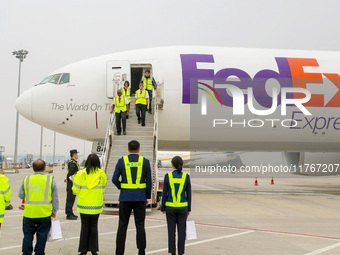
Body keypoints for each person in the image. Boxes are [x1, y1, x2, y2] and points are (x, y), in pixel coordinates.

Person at [112, 140, 152, 255]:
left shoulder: (121, 161)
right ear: (139, 149)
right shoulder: (145, 162)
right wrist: (147, 197)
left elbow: (114, 179)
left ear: (128, 149)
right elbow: (149, 182)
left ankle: (119, 252)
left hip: (125, 198)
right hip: (140, 198)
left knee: (122, 225)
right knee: (140, 225)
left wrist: (122, 187)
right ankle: (141, 251)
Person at [19, 159, 59, 255]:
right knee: (42, 235)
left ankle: (26, 253)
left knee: (28, 235)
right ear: (45, 168)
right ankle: (39, 253)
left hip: (29, 214)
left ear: (33, 168)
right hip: (44, 214)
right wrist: (54, 210)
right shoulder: (50, 180)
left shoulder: (26, 179)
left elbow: (20, 195)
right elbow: (55, 198)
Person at [72, 153, 107, 255]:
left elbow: (75, 190)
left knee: (84, 227)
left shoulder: (80, 173)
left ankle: (83, 251)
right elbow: (103, 186)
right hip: (96, 205)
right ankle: (94, 250)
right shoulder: (101, 173)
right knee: (94, 227)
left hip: (83, 206)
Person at [161, 156, 191, 255]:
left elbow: (164, 193)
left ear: (172, 165)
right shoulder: (186, 176)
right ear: (182, 165)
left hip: (170, 208)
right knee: (182, 232)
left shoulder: (167, 176)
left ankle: (172, 252)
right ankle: (181, 252)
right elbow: (189, 194)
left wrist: (163, 207)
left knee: (171, 232)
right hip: (183, 208)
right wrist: (189, 208)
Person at [65, 149, 80, 220]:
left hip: (71, 184)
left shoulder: (73, 163)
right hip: (71, 184)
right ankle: (69, 214)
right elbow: (70, 175)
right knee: (70, 200)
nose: (77, 155)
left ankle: (70, 213)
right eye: (77, 154)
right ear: (74, 154)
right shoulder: (73, 164)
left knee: (71, 199)